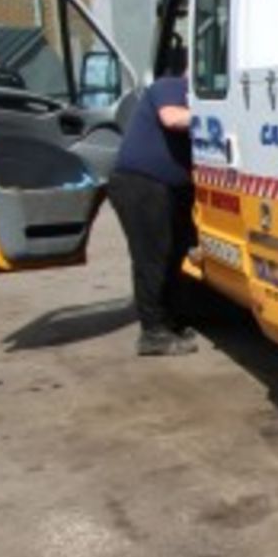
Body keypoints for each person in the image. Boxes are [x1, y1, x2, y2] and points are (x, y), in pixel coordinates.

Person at [107, 52, 197, 357]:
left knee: (174, 254)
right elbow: (172, 118)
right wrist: (221, 112)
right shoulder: (171, 86)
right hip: (140, 184)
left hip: (166, 188)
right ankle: (153, 333)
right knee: (152, 257)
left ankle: (169, 321)